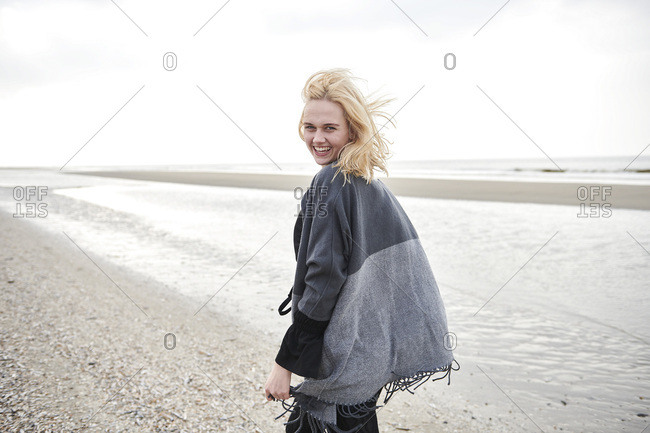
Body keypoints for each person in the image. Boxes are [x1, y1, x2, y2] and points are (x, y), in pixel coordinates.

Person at [263, 68, 457, 433]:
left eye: (329, 128)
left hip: (346, 352)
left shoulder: (330, 182)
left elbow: (323, 278)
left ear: (351, 129)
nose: (317, 138)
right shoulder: (369, 184)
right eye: (310, 127)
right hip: (370, 350)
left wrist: (284, 362)